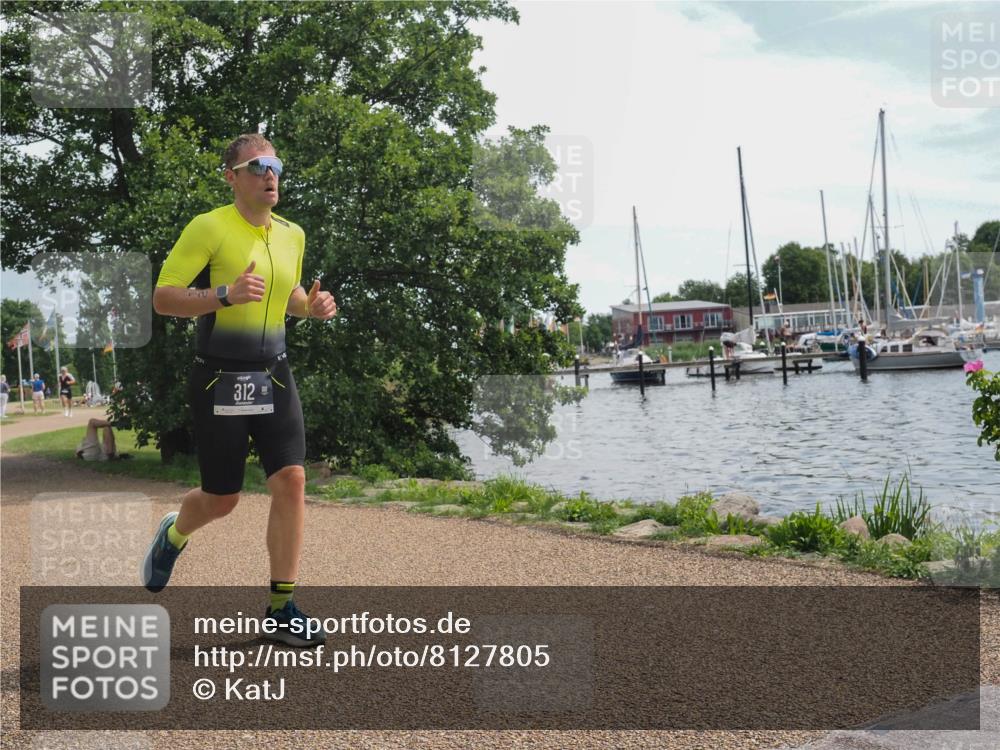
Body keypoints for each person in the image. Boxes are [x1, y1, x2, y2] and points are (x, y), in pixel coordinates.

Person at [142, 133, 337, 648]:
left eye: (274, 164)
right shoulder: (209, 227)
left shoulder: (293, 234)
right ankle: (174, 532)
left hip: (273, 373)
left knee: (292, 480)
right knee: (222, 500)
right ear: (231, 177)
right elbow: (164, 298)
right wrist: (223, 295)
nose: (269, 174)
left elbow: (286, 295)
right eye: (256, 166)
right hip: (218, 378)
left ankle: (281, 608)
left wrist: (308, 307)